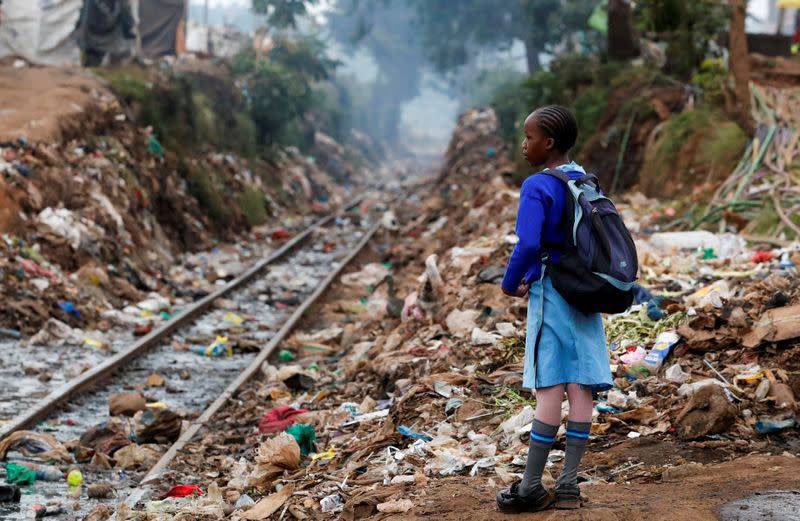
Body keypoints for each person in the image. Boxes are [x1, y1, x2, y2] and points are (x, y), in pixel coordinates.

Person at [496, 105, 612, 512]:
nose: (524, 145)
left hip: (553, 294)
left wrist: (511, 283)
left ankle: (530, 486)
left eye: (528, 137)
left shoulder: (537, 185)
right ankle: (567, 487)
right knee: (582, 385)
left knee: (550, 386)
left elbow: (529, 244)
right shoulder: (585, 178)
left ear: (548, 143)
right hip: (586, 292)